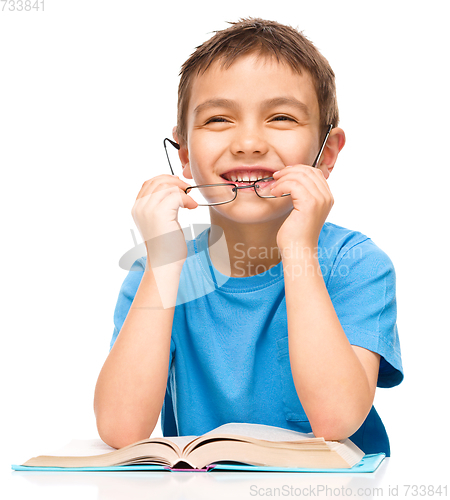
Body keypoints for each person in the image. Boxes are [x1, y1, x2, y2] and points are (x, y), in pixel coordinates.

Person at [93, 18, 403, 456]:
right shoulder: (162, 270)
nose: (249, 143)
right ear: (184, 155)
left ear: (327, 153)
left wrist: (298, 251)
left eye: (281, 117)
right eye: (219, 119)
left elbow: (335, 420)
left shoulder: (356, 264)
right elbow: (121, 430)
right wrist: (163, 260)